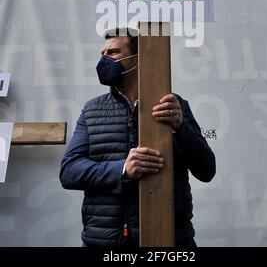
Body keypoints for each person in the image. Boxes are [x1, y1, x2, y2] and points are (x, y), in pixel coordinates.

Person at [59, 28, 216, 247]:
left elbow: (207, 170)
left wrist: (181, 127)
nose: (103, 60)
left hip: (169, 242)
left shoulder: (174, 105)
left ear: (139, 59)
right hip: (105, 243)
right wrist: (122, 169)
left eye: (112, 52)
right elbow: (69, 171)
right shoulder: (92, 110)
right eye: (102, 53)